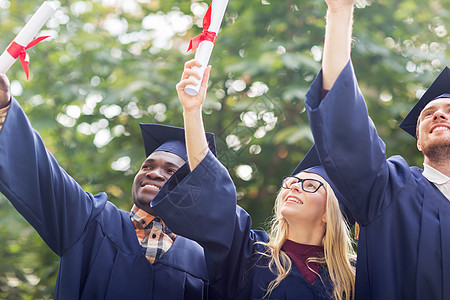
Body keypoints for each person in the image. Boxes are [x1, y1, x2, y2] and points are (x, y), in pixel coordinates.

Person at [149, 59, 356, 299]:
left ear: (328, 213)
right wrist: (192, 111)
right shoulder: (250, 256)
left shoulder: (353, 277)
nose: (295, 187)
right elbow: (213, 190)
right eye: (290, 183)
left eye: (310, 185)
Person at [0, 73, 219, 299]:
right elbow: (44, 176)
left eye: (170, 171)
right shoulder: (91, 222)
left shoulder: (204, 262)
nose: (153, 173)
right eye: (146, 167)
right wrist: (4, 108)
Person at [304, 0, 450, 298]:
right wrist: (340, 12)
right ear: (419, 140)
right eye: (428, 112)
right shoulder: (390, 189)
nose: (438, 114)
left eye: (449, 109)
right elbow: (346, 124)